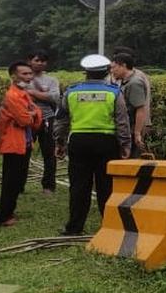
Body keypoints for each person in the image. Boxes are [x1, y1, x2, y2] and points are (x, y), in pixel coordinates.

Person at [55, 54, 131, 236]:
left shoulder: (71, 91)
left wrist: (59, 142)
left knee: (79, 186)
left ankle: (74, 227)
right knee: (106, 186)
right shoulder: (114, 92)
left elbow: (61, 120)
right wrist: (125, 144)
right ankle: (110, 226)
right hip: (106, 142)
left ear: (85, 73)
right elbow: (122, 121)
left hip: (79, 142)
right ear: (106, 72)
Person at [0, 61, 43, 226]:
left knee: (17, 180)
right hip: (14, 143)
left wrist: (33, 114)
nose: (28, 77)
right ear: (13, 76)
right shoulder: (13, 95)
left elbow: (36, 116)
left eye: (30, 74)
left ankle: (8, 212)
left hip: (24, 142)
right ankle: (4, 215)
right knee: (11, 181)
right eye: (24, 74)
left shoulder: (24, 93)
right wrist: (33, 114)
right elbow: (24, 120)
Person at [26, 51, 61, 192]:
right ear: (29, 61)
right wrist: (44, 96)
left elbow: (55, 97)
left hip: (47, 118)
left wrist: (33, 93)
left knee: (49, 152)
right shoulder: (23, 78)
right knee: (24, 151)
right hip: (28, 119)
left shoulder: (52, 80)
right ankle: (19, 184)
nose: (40, 63)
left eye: (43, 61)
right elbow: (21, 96)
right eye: (37, 60)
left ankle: (48, 185)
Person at [110, 52, 150, 157]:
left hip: (131, 131)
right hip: (125, 129)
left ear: (123, 66)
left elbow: (140, 109)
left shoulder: (135, 83)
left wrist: (137, 133)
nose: (112, 71)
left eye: (114, 67)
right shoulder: (124, 82)